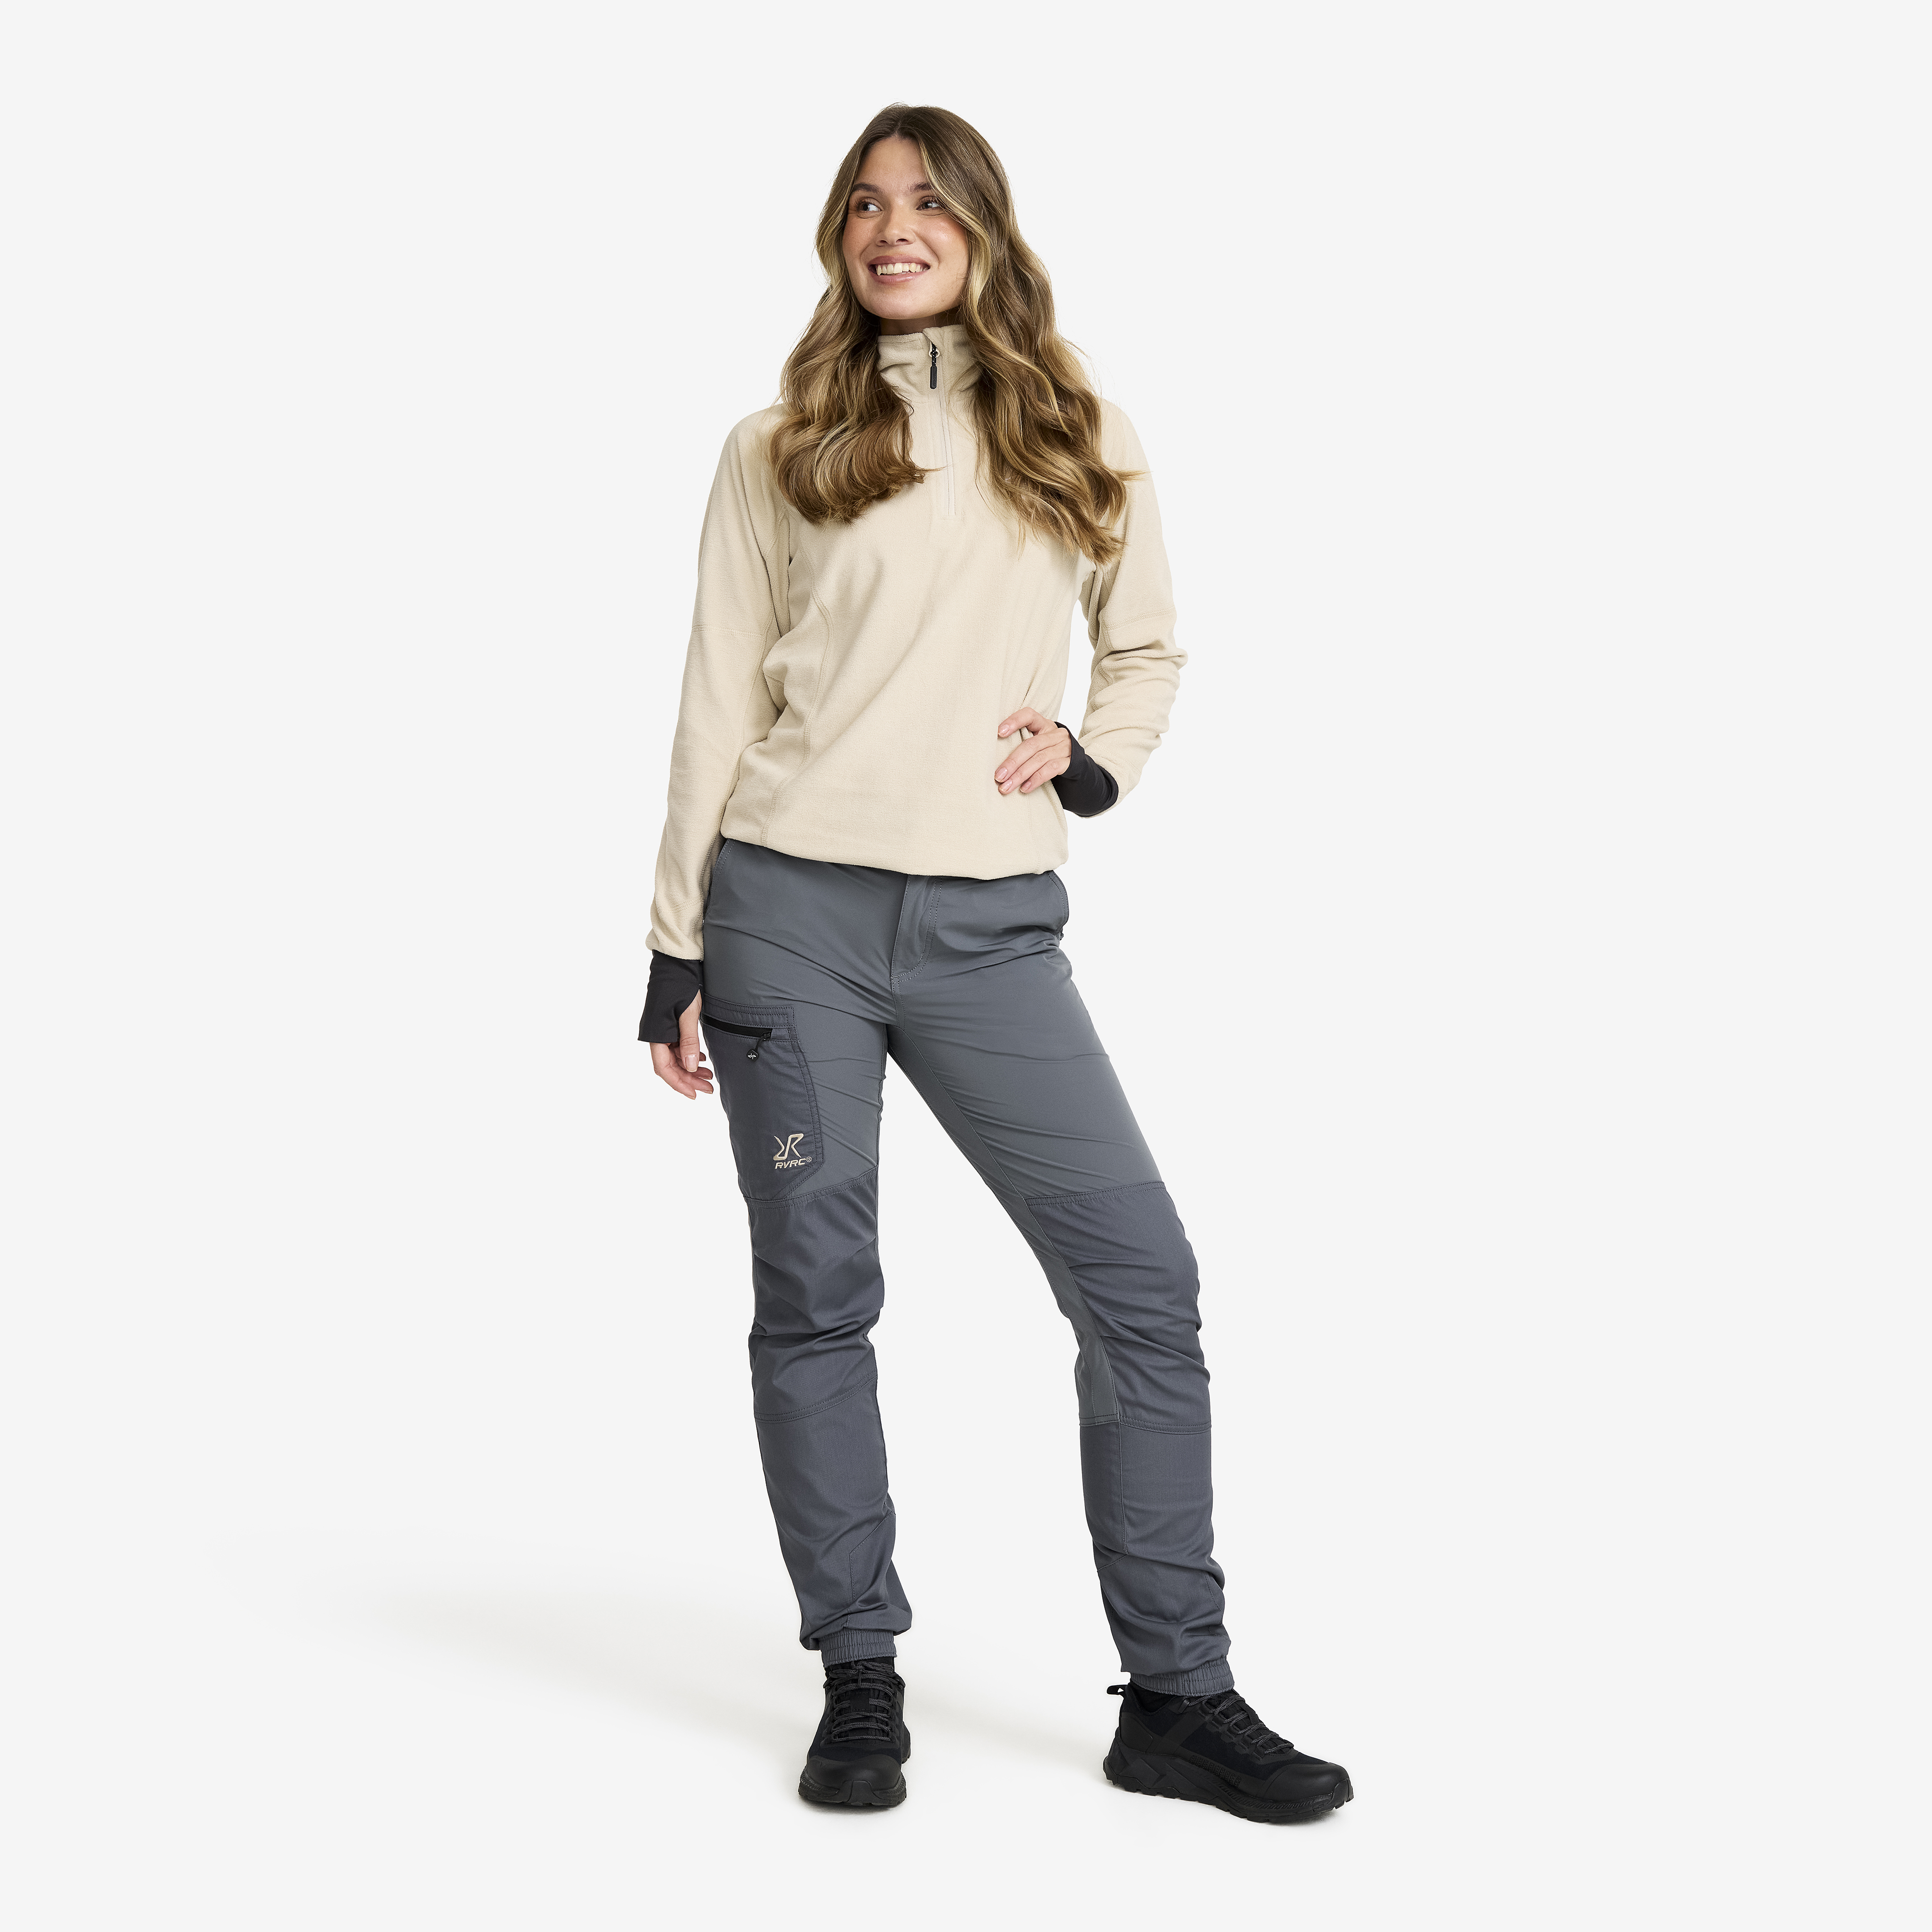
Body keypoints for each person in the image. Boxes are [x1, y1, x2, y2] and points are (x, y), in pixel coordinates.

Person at [639, 102, 1351, 1825]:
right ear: (839, 237)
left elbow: (1148, 643)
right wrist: (673, 944)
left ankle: (1178, 1695)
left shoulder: (1073, 420)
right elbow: (717, 693)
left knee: (1142, 1285)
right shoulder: (777, 443)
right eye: (865, 204)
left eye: (928, 202)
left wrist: (1093, 760)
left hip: (989, 932)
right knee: (818, 1298)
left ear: (982, 227)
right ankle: (859, 1672)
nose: (895, 228)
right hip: (786, 919)